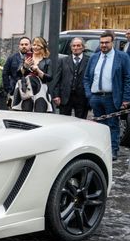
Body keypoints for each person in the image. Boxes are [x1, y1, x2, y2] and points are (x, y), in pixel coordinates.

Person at [84, 30, 130, 161]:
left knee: (112, 125)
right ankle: (101, 149)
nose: (104, 45)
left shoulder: (122, 57)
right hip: (95, 98)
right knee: (99, 126)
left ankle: (113, 151)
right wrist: (89, 95)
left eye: (106, 42)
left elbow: (128, 78)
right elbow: (87, 78)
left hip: (112, 97)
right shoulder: (94, 57)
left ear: (113, 42)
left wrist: (126, 98)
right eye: (102, 42)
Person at [11, 36, 53, 112]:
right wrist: (25, 66)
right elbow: (18, 74)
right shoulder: (26, 58)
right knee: (25, 112)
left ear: (43, 47)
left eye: (38, 45)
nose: (35, 47)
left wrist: (38, 71)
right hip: (26, 89)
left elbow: (49, 78)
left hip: (40, 91)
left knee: (39, 113)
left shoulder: (47, 61)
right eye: (34, 45)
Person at [52, 37, 89, 119]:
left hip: (82, 97)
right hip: (65, 96)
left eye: (78, 45)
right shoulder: (63, 61)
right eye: (73, 46)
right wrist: (56, 95)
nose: (76, 48)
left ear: (83, 47)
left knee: (81, 122)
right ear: (71, 47)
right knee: (64, 121)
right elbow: (57, 79)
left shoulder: (89, 61)